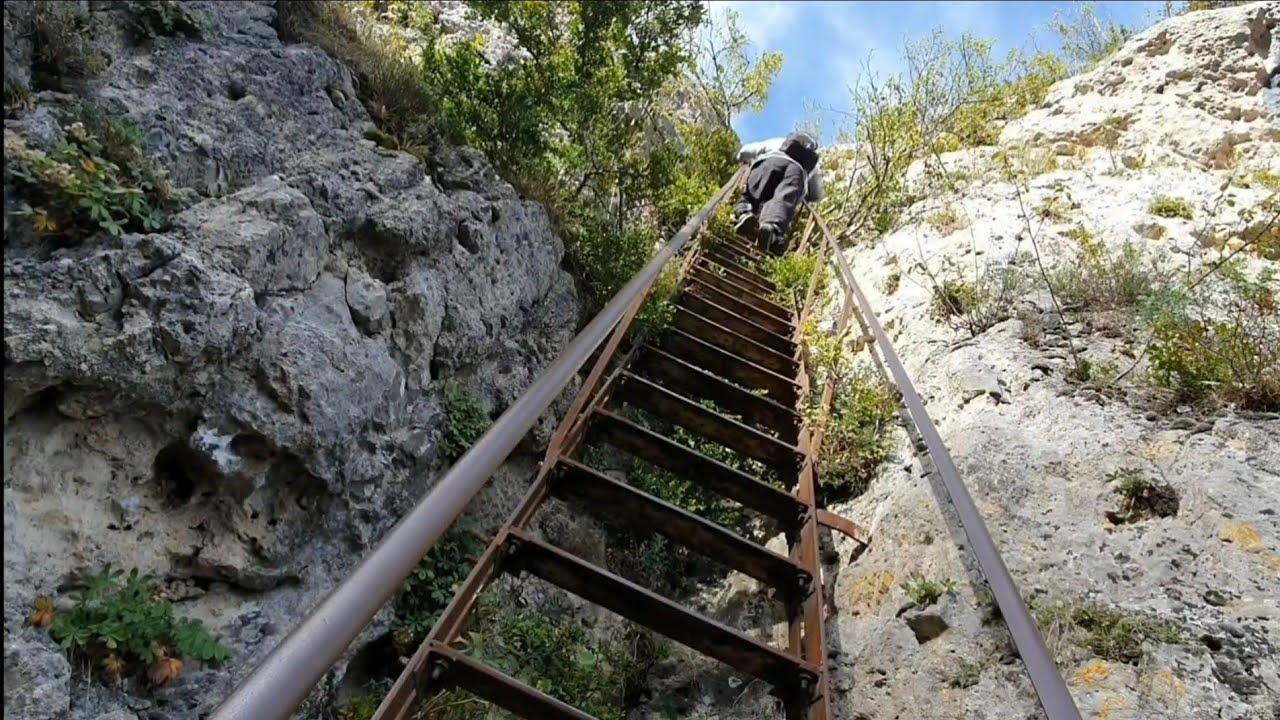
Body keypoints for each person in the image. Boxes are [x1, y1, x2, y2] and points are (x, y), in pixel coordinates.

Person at [733, 132, 826, 254]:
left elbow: (745, 152)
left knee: (752, 194)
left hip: (768, 163)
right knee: (781, 201)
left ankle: (745, 212)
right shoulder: (812, 164)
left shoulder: (777, 141)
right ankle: (770, 228)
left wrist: (740, 158)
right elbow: (817, 193)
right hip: (796, 172)